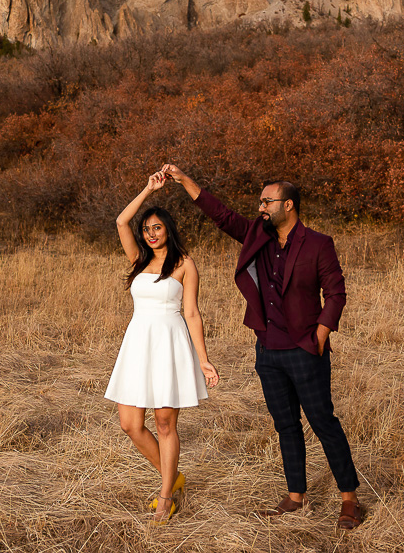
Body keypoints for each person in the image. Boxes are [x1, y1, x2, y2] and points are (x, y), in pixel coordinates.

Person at [161, 164, 367, 531]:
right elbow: (221, 215)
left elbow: (336, 293)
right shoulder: (259, 235)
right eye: (259, 202)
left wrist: (319, 337)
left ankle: (349, 499)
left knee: (323, 422)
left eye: (266, 201)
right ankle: (296, 495)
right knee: (285, 424)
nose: (260, 207)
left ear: (288, 205)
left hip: (305, 348)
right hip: (267, 349)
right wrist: (184, 180)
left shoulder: (319, 243)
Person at [105, 171, 220, 524]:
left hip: (170, 345)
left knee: (165, 424)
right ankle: (174, 476)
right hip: (138, 343)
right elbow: (122, 220)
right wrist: (149, 189)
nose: (151, 234)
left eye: (157, 227)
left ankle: (166, 495)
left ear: (168, 228)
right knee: (130, 423)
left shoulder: (185, 265)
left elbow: (192, 314)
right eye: (147, 229)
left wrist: (204, 361)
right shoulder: (138, 260)